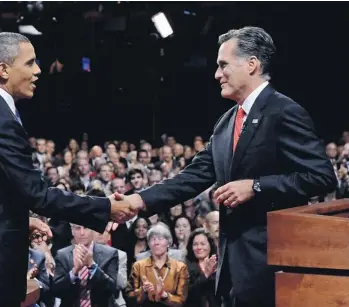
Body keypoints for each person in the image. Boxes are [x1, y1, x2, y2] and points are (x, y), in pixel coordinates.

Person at [114, 26, 337, 307]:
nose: (217, 75)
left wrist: (256, 186)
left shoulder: (284, 111)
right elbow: (191, 178)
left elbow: (321, 176)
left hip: (273, 269)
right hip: (232, 274)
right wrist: (137, 200)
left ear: (252, 64)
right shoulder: (226, 122)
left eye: (223, 65)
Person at [0, 32, 136, 307]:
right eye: (30, 63)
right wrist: (105, 208)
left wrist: (15, 220)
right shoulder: (0, 122)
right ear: (4, 70)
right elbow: (39, 195)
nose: (38, 71)